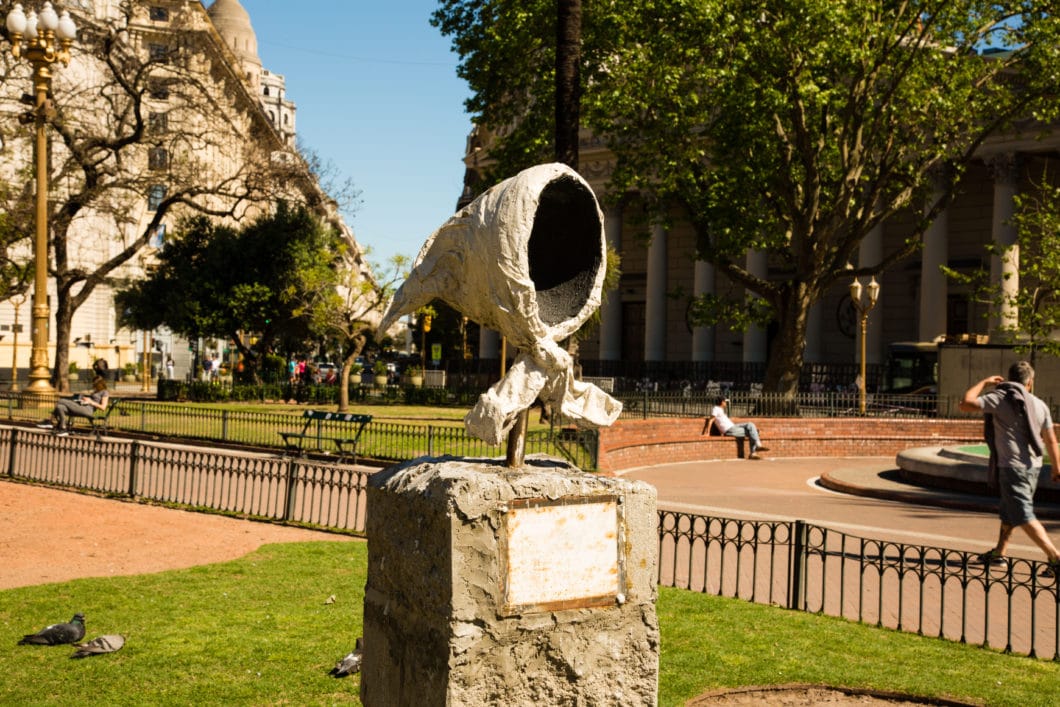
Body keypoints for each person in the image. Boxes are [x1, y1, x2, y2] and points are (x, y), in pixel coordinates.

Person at [960, 360, 1060, 577]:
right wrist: (1056, 468)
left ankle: (1055, 558)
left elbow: (965, 403)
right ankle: (999, 554)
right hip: (1033, 466)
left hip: (1012, 467)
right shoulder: (1040, 404)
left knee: (1022, 514)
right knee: (1009, 511)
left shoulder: (1000, 398)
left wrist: (985, 382)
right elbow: (1051, 440)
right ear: (1030, 383)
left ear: (1008, 379)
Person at [37, 375, 110, 436]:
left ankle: (50, 421)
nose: (93, 385)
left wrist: (90, 402)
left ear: (100, 384)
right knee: (60, 407)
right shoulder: (96, 391)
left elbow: (103, 407)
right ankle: (63, 428)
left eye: (95, 384)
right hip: (83, 407)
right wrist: (82, 400)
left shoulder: (105, 392)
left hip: (88, 410)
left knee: (61, 400)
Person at [704, 395, 770, 459]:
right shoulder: (716, 409)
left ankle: (756, 448)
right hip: (729, 430)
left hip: (733, 426)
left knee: (751, 425)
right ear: (722, 402)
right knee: (755, 431)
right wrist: (707, 433)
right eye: (725, 401)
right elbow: (711, 420)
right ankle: (754, 451)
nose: (726, 403)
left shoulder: (720, 409)